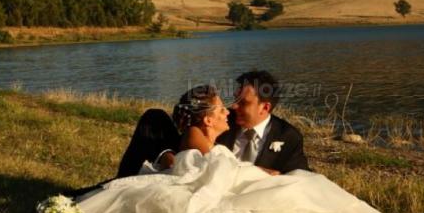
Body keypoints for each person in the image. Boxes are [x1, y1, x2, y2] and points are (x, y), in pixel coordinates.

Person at [77, 85, 424, 213]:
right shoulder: (201, 150)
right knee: (300, 190)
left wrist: (257, 171)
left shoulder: (205, 145)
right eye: (220, 110)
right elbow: (207, 179)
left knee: (305, 186)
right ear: (206, 119)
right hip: (223, 201)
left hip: (232, 184)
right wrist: (257, 173)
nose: (228, 113)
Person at [115, 70, 309, 177]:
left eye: (243, 103)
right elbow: (190, 138)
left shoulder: (288, 137)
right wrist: (167, 155)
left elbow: (300, 177)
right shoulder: (220, 122)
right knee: (154, 118)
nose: (233, 107)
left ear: (265, 108)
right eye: (234, 99)